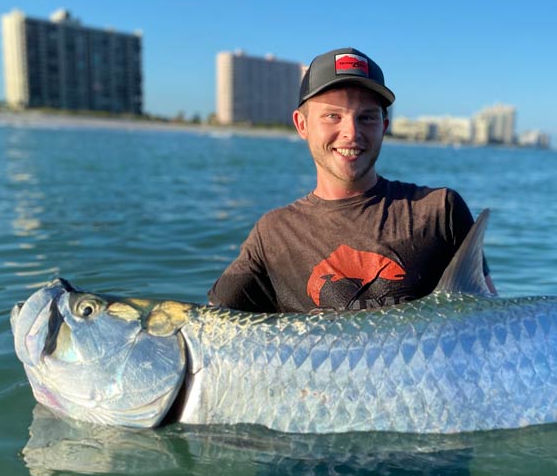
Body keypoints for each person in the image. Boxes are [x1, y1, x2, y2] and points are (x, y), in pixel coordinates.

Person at [208, 46, 494, 313]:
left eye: (366, 118)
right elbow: (210, 328)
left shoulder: (439, 211)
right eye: (332, 115)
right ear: (302, 124)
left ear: (383, 127)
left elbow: (489, 317)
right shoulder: (273, 235)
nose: (351, 132)